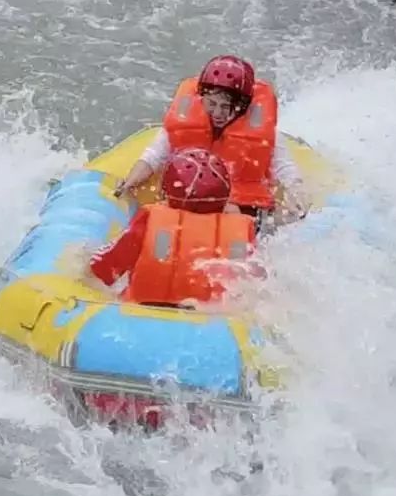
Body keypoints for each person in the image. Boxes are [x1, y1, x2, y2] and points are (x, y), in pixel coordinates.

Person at [114, 55, 305, 233]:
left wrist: (296, 198)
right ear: (202, 98)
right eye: (212, 104)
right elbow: (153, 157)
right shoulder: (182, 123)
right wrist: (130, 182)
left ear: (243, 106)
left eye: (226, 107)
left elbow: (286, 169)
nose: (218, 113)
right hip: (190, 201)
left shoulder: (265, 133)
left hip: (242, 208)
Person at [88, 148, 261, 308]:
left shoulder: (150, 221)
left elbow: (103, 268)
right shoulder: (240, 230)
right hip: (211, 321)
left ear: (167, 192)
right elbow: (250, 285)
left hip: (144, 313)